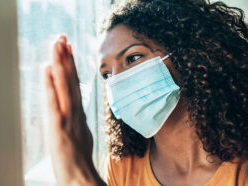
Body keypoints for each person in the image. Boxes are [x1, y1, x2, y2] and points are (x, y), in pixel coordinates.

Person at [44, 0, 248, 185]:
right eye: (106, 74)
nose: (117, 81)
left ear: (187, 57)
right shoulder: (122, 166)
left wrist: (81, 177)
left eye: (132, 58)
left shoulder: (242, 168)